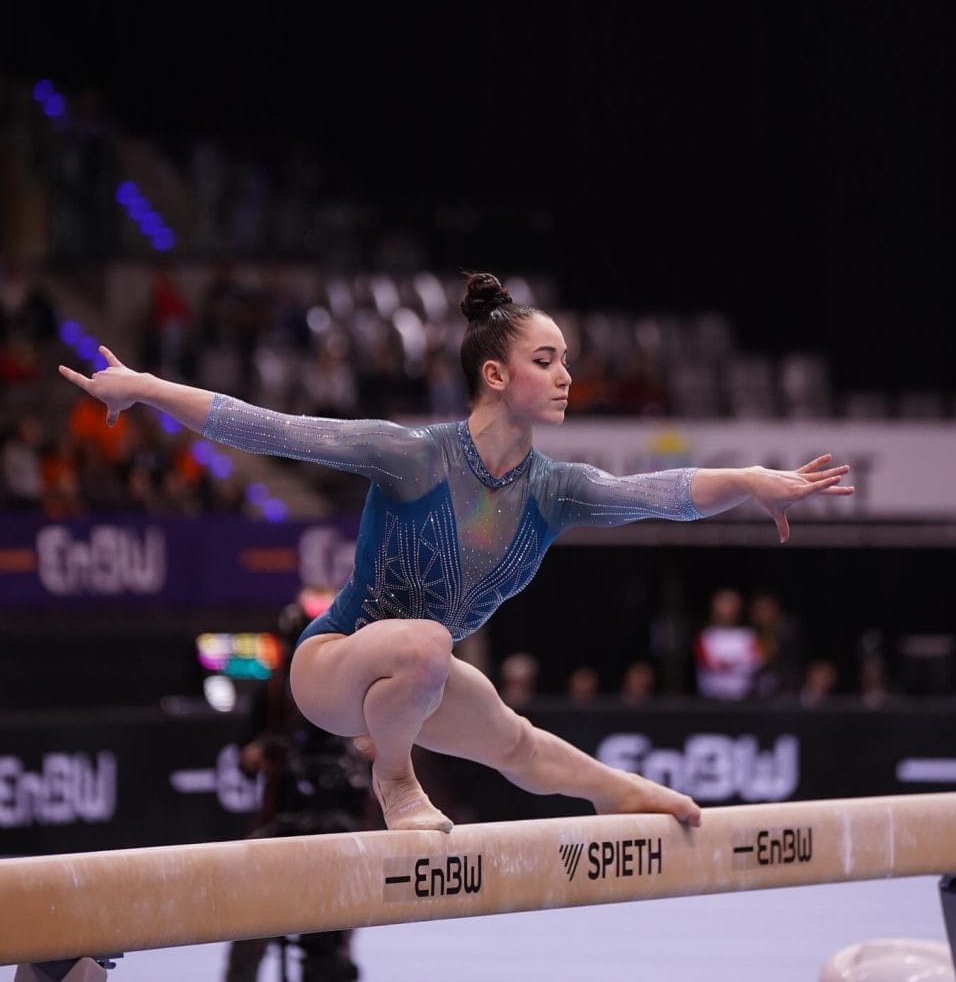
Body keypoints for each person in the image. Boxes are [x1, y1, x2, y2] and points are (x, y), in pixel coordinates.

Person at [58, 271, 854, 834]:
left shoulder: (555, 489)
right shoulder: (413, 456)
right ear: (496, 373)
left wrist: (751, 478)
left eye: (568, 359)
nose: (567, 375)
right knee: (428, 642)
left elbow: (663, 490)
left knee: (513, 739)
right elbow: (275, 428)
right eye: (547, 361)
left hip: (418, 677)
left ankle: (616, 792)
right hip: (334, 667)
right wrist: (147, 387)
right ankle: (395, 776)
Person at [225, 584, 369, 982]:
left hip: (336, 827)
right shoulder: (269, 693)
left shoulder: (352, 687)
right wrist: (260, 753)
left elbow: (377, 751)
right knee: (247, 936)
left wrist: (362, 749)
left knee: (327, 950)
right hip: (280, 822)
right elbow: (245, 760)